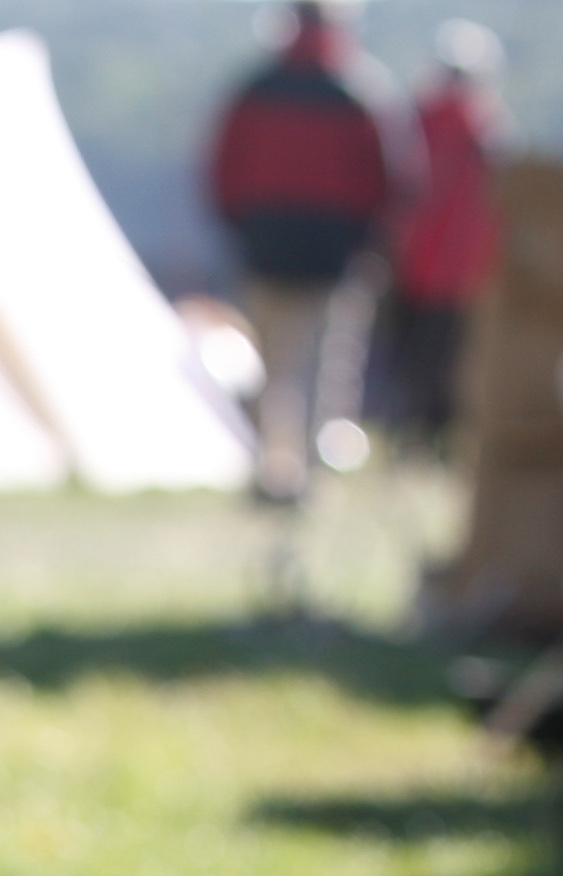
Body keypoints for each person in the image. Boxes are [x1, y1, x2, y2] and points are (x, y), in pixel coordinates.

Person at [206, 0, 419, 501]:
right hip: (333, 252)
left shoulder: (254, 89)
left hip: (264, 245)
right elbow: (395, 178)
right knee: (323, 366)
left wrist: (243, 227)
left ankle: (269, 467)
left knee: (269, 364)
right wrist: (369, 238)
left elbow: (222, 168)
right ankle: (306, 473)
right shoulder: (362, 91)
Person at [377, 21, 504, 447]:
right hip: (462, 269)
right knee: (450, 362)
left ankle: (402, 433)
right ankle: (435, 440)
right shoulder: (488, 133)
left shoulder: (412, 121)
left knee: (404, 355)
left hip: (407, 260)